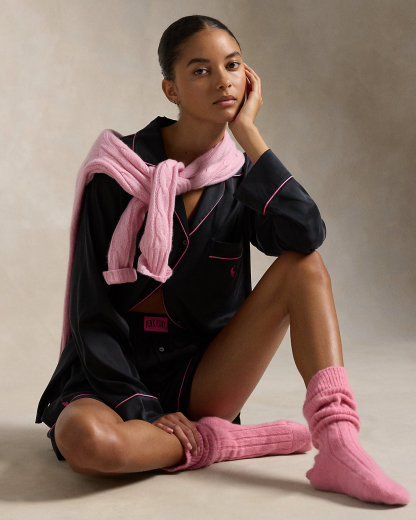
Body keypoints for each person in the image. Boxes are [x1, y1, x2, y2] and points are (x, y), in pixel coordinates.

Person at [36, 15, 410, 506]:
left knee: (304, 267)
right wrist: (143, 409)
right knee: (86, 442)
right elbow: (92, 312)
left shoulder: (242, 178)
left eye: (232, 65)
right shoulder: (115, 170)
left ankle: (338, 443)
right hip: (112, 378)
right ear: (170, 89)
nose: (222, 80)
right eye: (201, 70)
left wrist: (249, 134)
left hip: (203, 378)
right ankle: (225, 442)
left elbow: (306, 234)